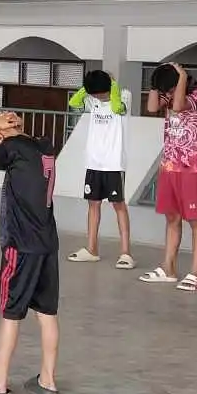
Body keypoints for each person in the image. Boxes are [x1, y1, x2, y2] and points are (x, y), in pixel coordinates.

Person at [0, 111, 62, 394]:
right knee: (47, 314)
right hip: (48, 244)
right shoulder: (43, 146)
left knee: (11, 313)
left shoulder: (12, 147)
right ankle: (48, 380)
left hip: (20, 245)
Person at [141, 63, 197, 291]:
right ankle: (168, 268)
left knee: (195, 219)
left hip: (192, 167)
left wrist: (180, 76)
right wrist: (155, 82)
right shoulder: (169, 93)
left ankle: (196, 273)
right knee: (172, 217)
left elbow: (180, 106)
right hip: (170, 165)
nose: (168, 94)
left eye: (170, 89)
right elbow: (152, 106)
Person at [64, 70, 134, 270]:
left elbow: (117, 107)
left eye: (101, 94)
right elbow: (73, 103)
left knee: (118, 205)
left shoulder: (123, 96)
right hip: (94, 162)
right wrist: (88, 88)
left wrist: (112, 85)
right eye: (94, 94)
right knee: (93, 204)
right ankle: (92, 249)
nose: (98, 98)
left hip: (114, 164)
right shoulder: (92, 99)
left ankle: (125, 253)